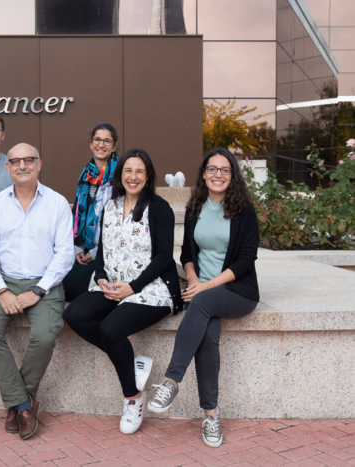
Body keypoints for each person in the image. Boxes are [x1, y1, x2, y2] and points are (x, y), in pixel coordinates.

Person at [63, 149, 182, 435]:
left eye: (140, 171)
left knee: (111, 329)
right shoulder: (111, 207)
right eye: (128, 170)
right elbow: (102, 252)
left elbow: (165, 256)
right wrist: (101, 277)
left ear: (148, 176)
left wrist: (134, 287)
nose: (133, 176)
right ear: (120, 175)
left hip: (150, 288)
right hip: (113, 284)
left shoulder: (159, 208)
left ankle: (132, 398)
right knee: (75, 315)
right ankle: (132, 364)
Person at [147, 147, 260, 448]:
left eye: (225, 170)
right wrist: (195, 280)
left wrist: (206, 288)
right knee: (208, 335)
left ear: (232, 175)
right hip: (202, 292)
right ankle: (211, 415)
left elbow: (246, 260)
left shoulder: (244, 210)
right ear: (204, 173)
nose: (218, 174)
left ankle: (171, 382)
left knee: (201, 303)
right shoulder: (196, 206)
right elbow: (186, 254)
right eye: (212, 169)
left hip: (237, 290)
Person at [0, 143, 74, 440]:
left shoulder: (57, 203)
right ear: (7, 168)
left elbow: (65, 254)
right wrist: (1, 290)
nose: (22, 165)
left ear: (39, 164)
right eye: (15, 161)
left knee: (44, 335)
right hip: (4, 282)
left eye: (28, 160)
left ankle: (21, 401)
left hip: (45, 282)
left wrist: (40, 290)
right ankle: (22, 404)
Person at [63, 123, 120, 302]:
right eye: (97, 139)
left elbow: (121, 222)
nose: (101, 145)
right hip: (83, 248)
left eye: (107, 140)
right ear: (90, 143)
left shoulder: (121, 177)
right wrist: (76, 248)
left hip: (110, 251)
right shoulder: (86, 175)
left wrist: (96, 252)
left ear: (114, 146)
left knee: (75, 288)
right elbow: (77, 215)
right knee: (62, 284)